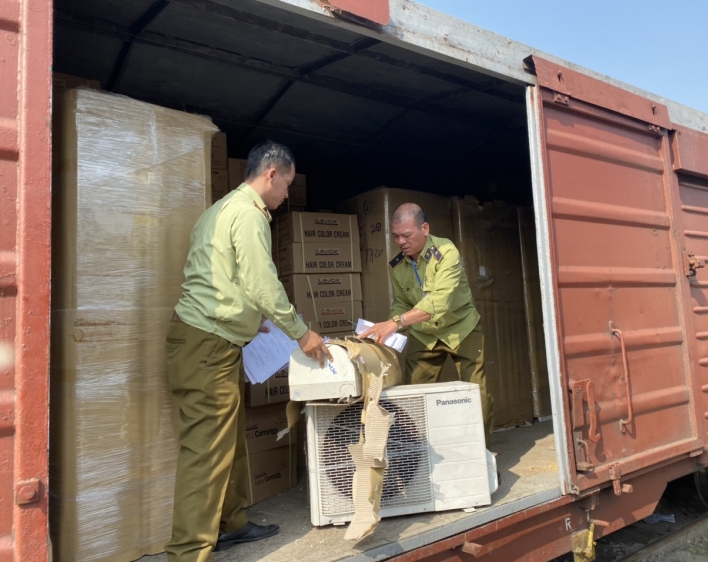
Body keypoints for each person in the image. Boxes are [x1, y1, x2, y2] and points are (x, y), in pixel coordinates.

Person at [165, 140, 332, 561]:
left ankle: (230, 525)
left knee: (228, 443)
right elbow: (261, 282)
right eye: (287, 185)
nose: (287, 195)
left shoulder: (219, 211)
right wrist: (301, 333)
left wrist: (248, 318)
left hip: (210, 342)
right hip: (207, 345)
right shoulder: (249, 215)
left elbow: (221, 277)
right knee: (206, 453)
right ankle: (188, 553)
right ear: (271, 174)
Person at [360, 203, 494, 448]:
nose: (400, 241)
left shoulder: (446, 252)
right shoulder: (397, 265)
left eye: (407, 235)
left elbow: (439, 302)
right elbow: (401, 301)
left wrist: (395, 322)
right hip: (425, 335)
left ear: (425, 228)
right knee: (413, 397)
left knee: (476, 393)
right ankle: (419, 456)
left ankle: (482, 454)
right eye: (396, 236)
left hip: (460, 329)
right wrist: (389, 330)